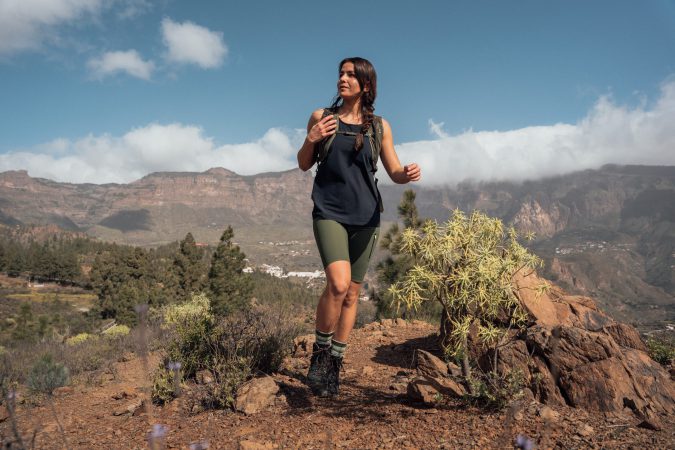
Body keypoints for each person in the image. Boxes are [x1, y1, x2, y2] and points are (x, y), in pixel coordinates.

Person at [296, 57, 421, 396]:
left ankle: (335, 364)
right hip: (329, 213)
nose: (343, 78)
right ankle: (319, 357)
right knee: (337, 285)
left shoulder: (379, 126)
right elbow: (304, 164)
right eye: (341, 73)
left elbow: (392, 170)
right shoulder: (322, 118)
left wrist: (405, 175)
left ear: (366, 85)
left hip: (367, 217)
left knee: (352, 294)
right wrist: (311, 138)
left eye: (351, 75)